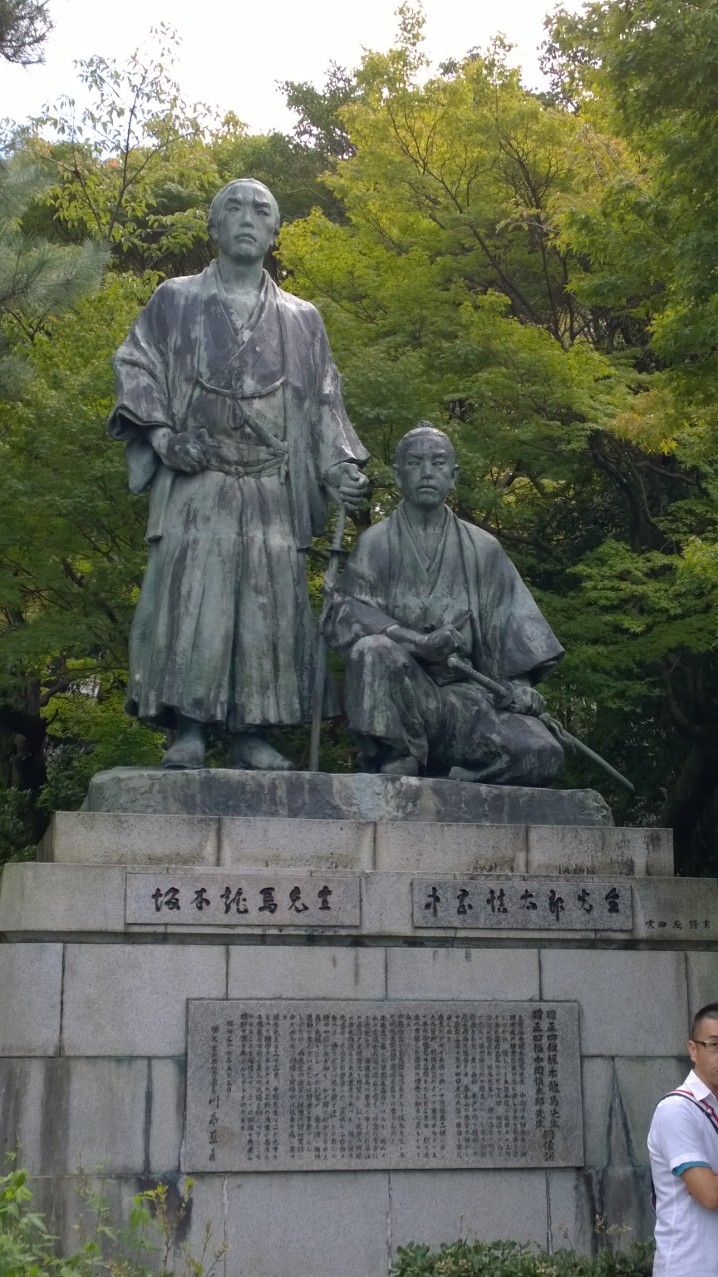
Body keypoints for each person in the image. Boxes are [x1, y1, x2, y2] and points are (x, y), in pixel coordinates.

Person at [109, 178, 368, 770]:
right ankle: (190, 729)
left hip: (272, 483)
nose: (247, 217)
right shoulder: (175, 300)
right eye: (234, 207)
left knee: (266, 606)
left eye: (261, 210)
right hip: (198, 477)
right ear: (213, 225)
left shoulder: (302, 319)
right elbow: (135, 364)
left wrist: (338, 468)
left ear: (275, 231)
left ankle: (254, 732)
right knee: (193, 600)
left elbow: (324, 403)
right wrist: (163, 438)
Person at [324, 423, 564, 783]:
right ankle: (398, 753)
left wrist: (521, 688)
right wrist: (416, 642)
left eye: (438, 464)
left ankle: (462, 780)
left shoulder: (483, 549)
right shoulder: (375, 543)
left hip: (466, 700)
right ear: (398, 475)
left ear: (453, 476)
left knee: (543, 754)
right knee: (373, 649)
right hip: (404, 693)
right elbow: (345, 614)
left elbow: (513, 632)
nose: (426, 473)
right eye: (415, 463)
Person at [647, 1002, 718, 1277]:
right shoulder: (676, 1110)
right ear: (693, 1050)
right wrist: (708, 1183)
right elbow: (709, 1194)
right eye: (714, 1045)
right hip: (689, 1267)